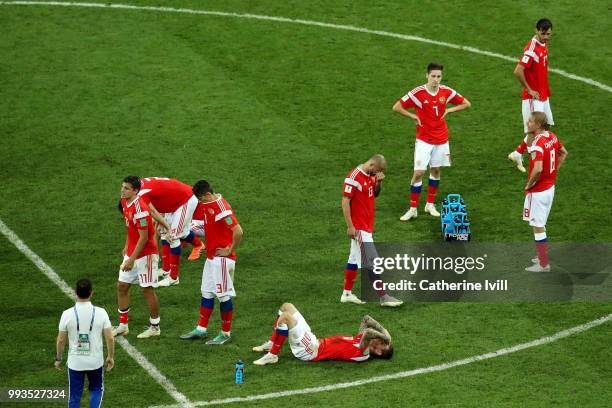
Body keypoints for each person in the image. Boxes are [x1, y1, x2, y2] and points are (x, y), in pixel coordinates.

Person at [393, 63, 471, 220]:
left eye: (439, 76)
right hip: (423, 139)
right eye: (433, 76)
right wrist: (413, 116)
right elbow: (397, 107)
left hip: (441, 139)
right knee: (419, 173)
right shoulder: (418, 93)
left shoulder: (446, 92)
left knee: (435, 170)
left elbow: (466, 103)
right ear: (427, 76)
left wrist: (449, 109)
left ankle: (430, 204)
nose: (436, 80)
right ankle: (413, 208)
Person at [180, 180, 243, 345]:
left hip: (222, 260)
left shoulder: (221, 209)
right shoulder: (210, 204)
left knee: (223, 296)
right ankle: (201, 329)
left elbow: (238, 231)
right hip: (211, 258)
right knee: (207, 292)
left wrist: (230, 250)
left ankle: (225, 333)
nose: (200, 203)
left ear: (208, 194)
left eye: (201, 199)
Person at [341, 154, 403, 307]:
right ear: (372, 165)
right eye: (378, 171)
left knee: (353, 260)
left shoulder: (371, 175)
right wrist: (350, 226)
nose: (378, 174)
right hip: (359, 228)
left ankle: (346, 294)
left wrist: (378, 182)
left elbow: (374, 194)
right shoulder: (354, 177)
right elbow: (345, 201)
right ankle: (384, 296)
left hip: (367, 226)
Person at [252, 303, 392, 365]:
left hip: (311, 352)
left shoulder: (364, 353)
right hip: (313, 340)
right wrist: (384, 331)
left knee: (286, 317)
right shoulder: (361, 340)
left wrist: (385, 336)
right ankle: (272, 342)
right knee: (286, 306)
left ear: (379, 352)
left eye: (382, 344)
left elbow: (368, 332)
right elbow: (366, 319)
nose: (379, 341)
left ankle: (273, 355)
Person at [112, 176, 162, 338]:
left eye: (126, 188)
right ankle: (123, 325)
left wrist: (131, 259)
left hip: (145, 255)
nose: (122, 190)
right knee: (122, 286)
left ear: (135, 191)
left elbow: (144, 236)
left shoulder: (140, 208)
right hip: (133, 252)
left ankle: (155, 327)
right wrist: (127, 245)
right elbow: (131, 228)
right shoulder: (126, 203)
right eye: (122, 187)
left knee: (147, 290)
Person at [55, 278, 114, 408]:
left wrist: (58, 358)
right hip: (95, 361)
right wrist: (110, 356)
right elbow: (110, 338)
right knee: (96, 389)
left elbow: (60, 340)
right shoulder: (101, 312)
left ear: (75, 293)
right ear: (91, 293)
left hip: (75, 362)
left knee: (75, 396)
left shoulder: (67, 314)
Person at [138, 177, 204, 287]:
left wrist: (167, 227)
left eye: (126, 188)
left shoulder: (141, 193)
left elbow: (153, 212)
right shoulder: (141, 186)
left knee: (173, 236)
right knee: (164, 232)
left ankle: (173, 277)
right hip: (172, 201)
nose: (122, 191)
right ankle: (166, 269)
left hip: (184, 201)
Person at [522, 112, 567, 272]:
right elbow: (563, 153)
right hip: (550, 188)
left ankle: (543, 264)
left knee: (538, 226)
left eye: (531, 121)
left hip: (539, 191)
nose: (527, 123)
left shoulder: (537, 144)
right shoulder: (552, 136)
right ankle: (541, 256)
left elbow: (538, 169)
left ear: (538, 125)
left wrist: (529, 184)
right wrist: (554, 170)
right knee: (541, 224)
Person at [508, 18, 554, 172]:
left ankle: (518, 153)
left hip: (542, 94)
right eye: (543, 33)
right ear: (536, 30)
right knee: (536, 132)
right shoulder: (532, 48)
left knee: (545, 126)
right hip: (533, 98)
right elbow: (518, 71)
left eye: (548, 33)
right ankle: (536, 164)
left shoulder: (543, 44)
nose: (546, 36)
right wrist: (528, 89)